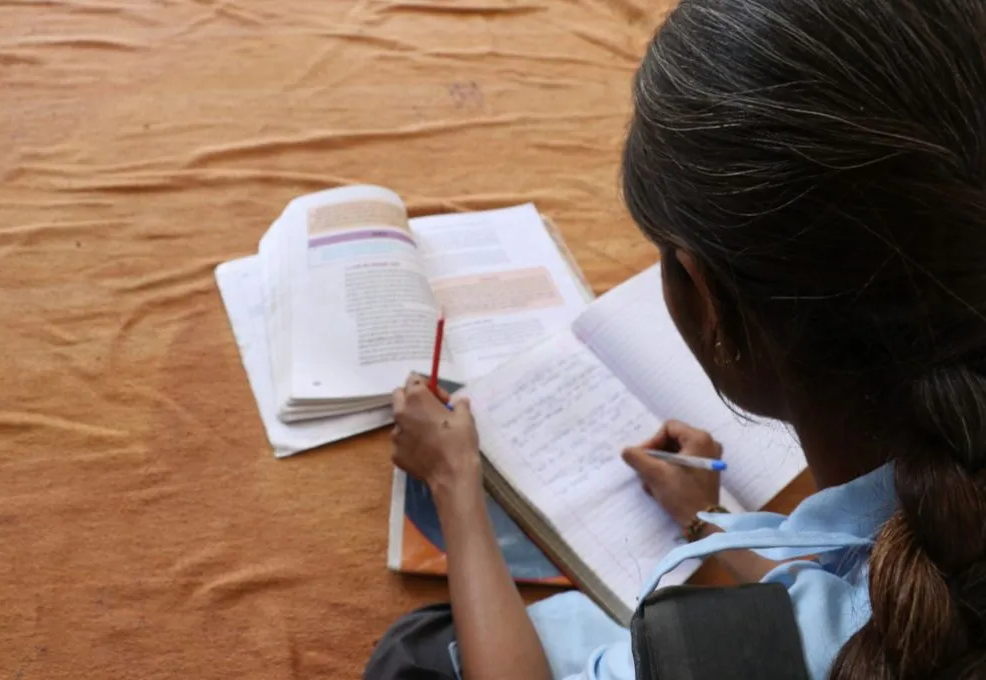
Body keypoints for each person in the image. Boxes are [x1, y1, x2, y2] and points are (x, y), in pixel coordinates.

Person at [372, 0, 986, 678]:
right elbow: (860, 599)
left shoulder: (712, 656)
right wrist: (707, 519)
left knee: (415, 651)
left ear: (708, 301)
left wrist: (454, 479)